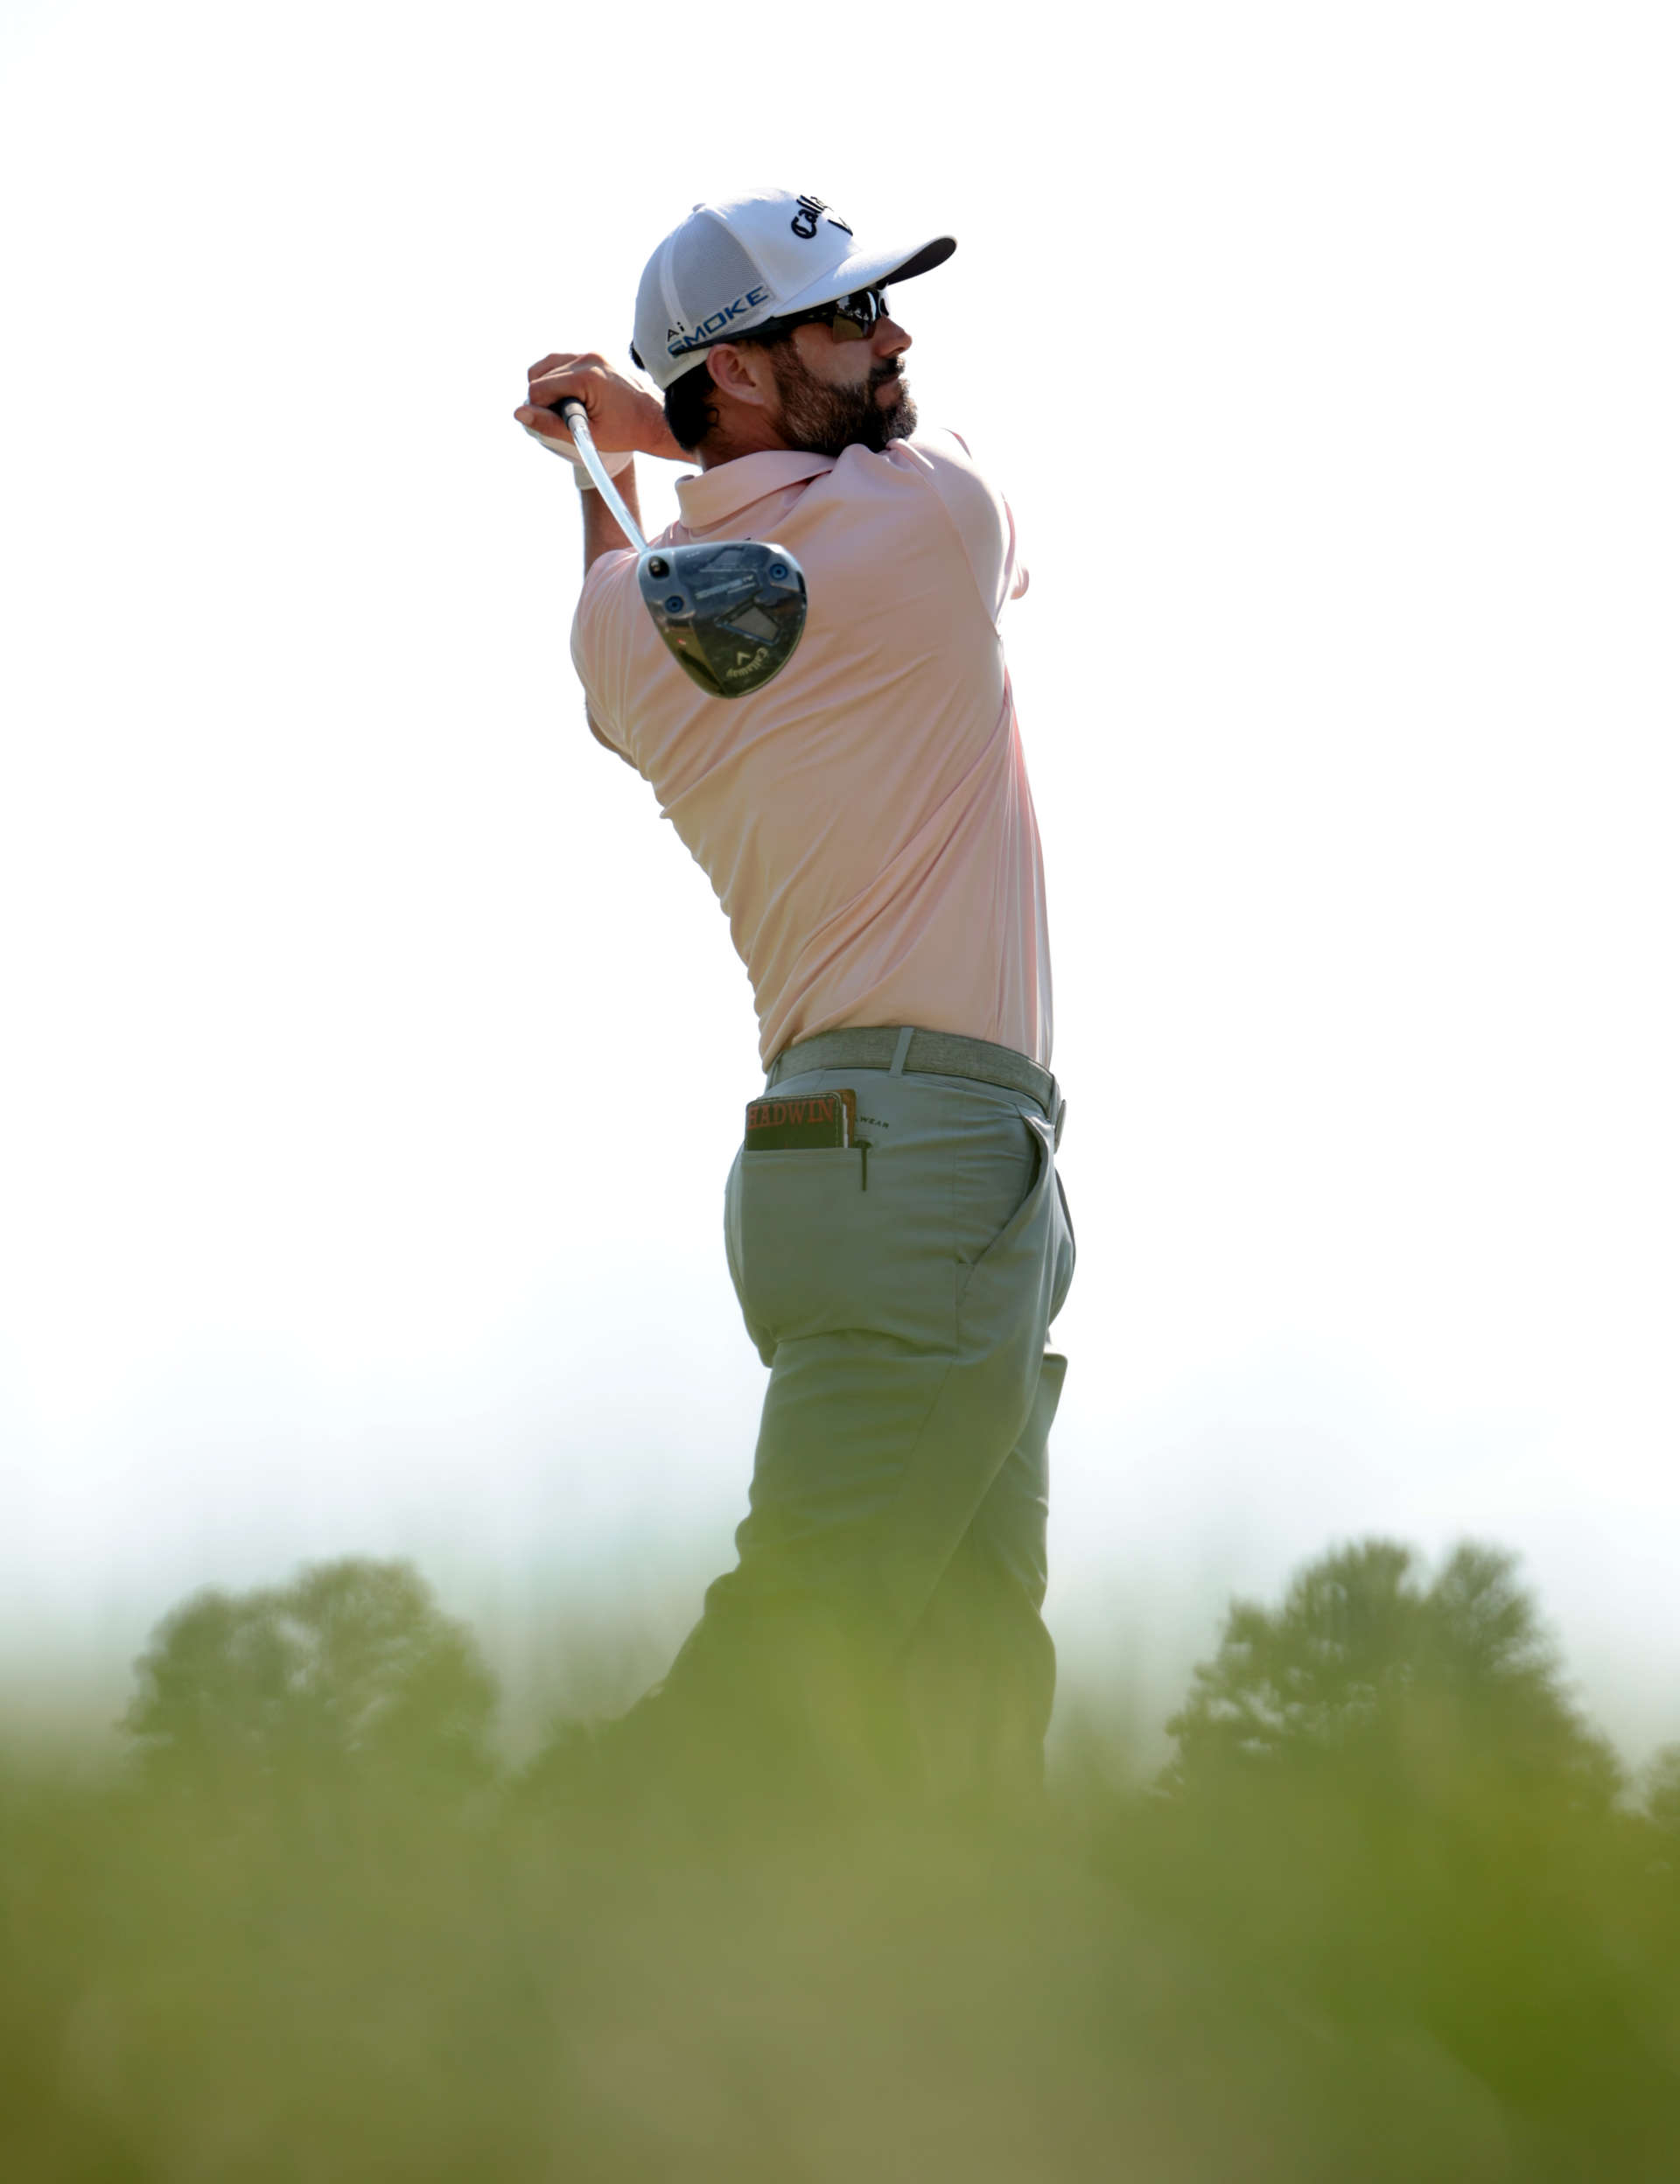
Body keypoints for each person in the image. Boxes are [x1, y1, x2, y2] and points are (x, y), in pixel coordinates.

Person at [514, 188, 1074, 1810]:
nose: (892, 337)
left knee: (961, 1678)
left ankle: (922, 2019)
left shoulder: (617, 640)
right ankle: (522, 1882)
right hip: (935, 1153)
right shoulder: (932, 519)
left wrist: (615, 455)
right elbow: (897, 472)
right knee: (812, 1638)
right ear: (744, 376)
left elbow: (634, 568)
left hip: (835, 1163)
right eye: (849, 318)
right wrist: (633, 439)